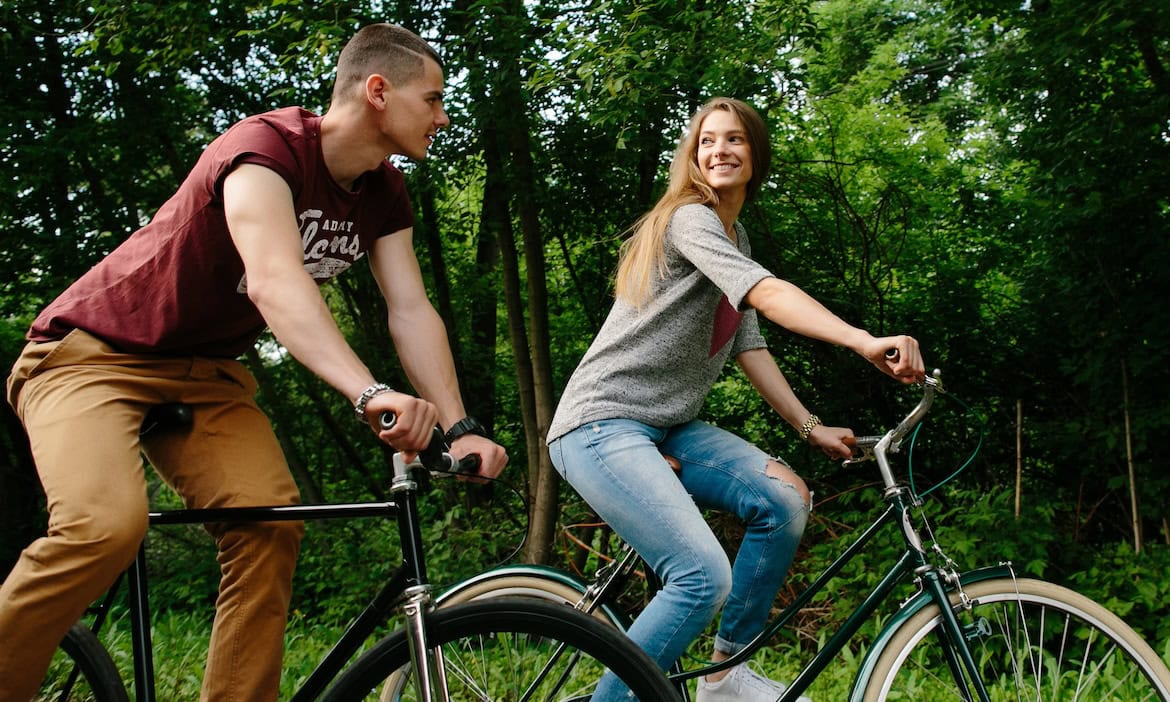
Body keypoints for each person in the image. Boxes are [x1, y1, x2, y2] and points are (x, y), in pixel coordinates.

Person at [0, 23, 507, 702]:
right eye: (434, 98)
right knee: (103, 528)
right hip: (90, 355)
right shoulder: (265, 149)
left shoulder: (384, 192)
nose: (443, 117)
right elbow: (273, 279)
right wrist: (368, 392)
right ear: (378, 91)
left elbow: (410, 309)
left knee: (268, 524)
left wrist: (458, 423)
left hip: (204, 375)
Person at [545, 97, 925, 702]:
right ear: (693, 157)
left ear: (756, 154)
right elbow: (766, 295)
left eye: (734, 139)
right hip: (600, 424)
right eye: (707, 141)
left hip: (666, 425)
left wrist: (810, 427)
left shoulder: (734, 236)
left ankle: (724, 677)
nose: (719, 150)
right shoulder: (689, 219)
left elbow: (750, 346)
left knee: (784, 499)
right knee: (700, 577)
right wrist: (862, 340)